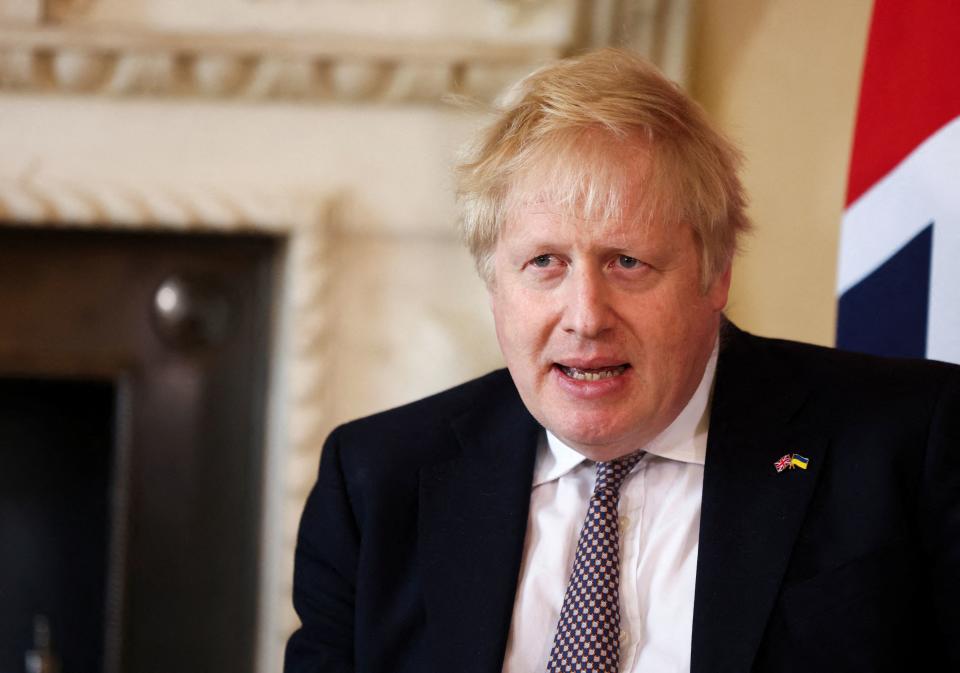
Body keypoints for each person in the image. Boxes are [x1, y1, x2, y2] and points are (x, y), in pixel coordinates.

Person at [284, 49, 960, 673]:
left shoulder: (906, 443)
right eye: (544, 263)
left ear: (716, 273)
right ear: (494, 280)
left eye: (627, 262)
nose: (586, 315)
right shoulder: (375, 481)